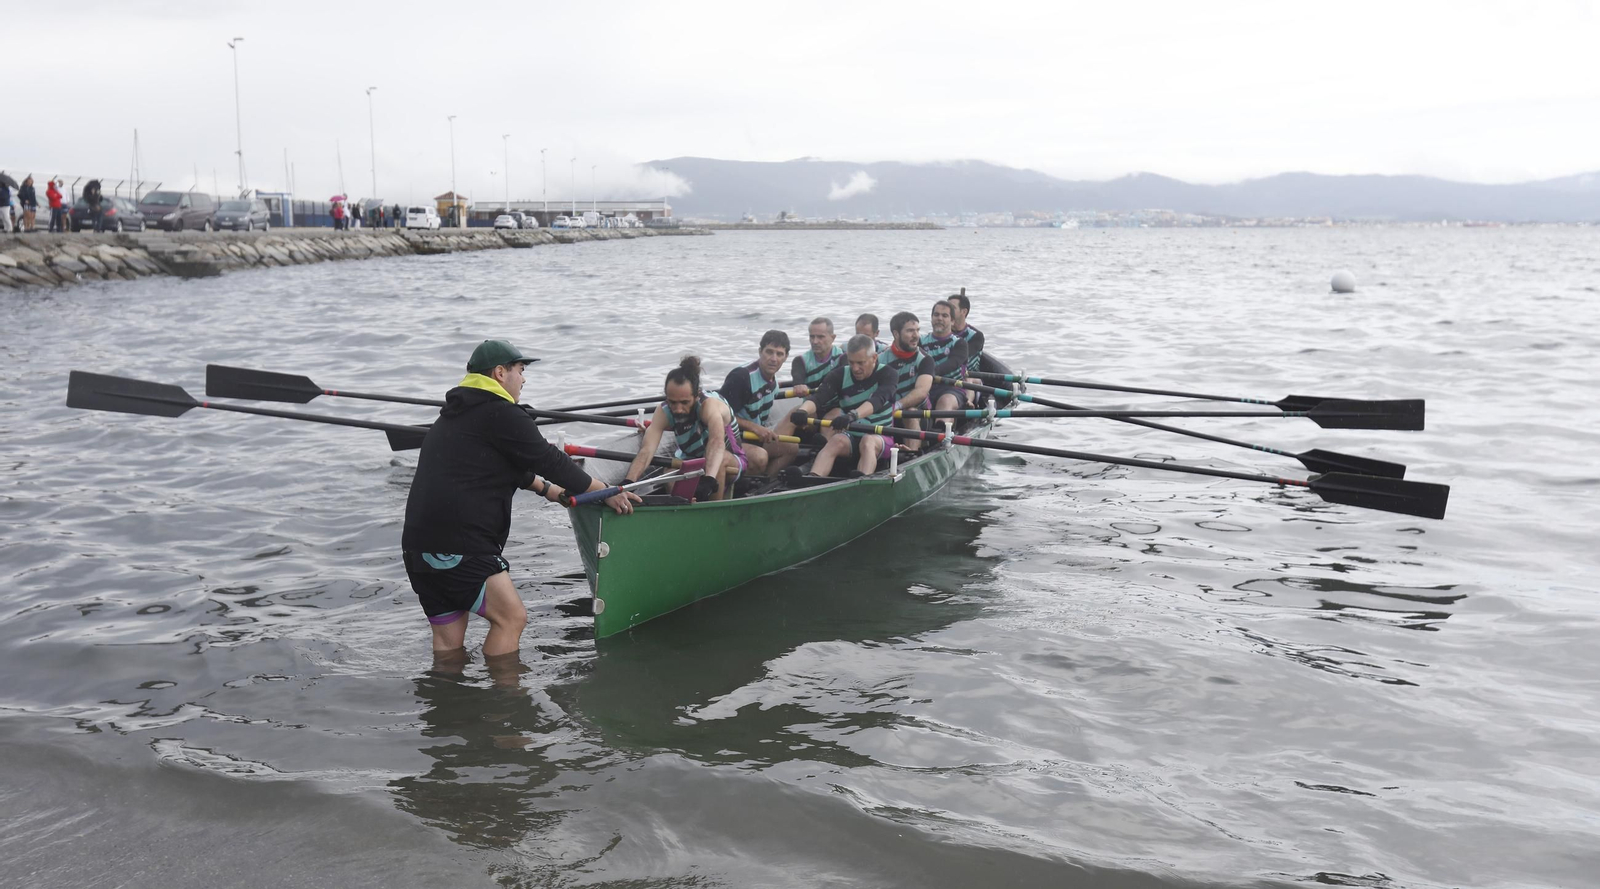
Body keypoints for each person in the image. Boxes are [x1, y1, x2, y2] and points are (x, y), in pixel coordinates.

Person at [401, 339, 639, 658]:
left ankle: (448, 690)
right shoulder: (502, 413)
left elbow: (504, 467)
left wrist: (551, 491)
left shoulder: (454, 416)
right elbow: (550, 460)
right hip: (460, 549)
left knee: (448, 645)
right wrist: (604, 490)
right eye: (520, 370)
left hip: (420, 550)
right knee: (511, 619)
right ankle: (506, 691)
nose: (523, 379)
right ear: (500, 373)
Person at [623, 357, 745, 502]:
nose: (678, 409)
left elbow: (716, 443)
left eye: (684, 402)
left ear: (697, 395)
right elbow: (647, 451)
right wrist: (627, 485)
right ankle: (686, 506)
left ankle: (714, 509)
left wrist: (709, 479)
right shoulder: (663, 411)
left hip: (730, 459)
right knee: (669, 474)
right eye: (673, 402)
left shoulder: (709, 406)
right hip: (691, 460)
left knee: (720, 460)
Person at [789, 334, 897, 477]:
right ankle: (813, 479)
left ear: (874, 358)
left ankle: (863, 482)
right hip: (851, 436)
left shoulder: (888, 374)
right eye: (851, 362)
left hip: (881, 437)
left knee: (868, 441)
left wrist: (852, 415)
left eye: (861, 363)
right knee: (835, 440)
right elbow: (818, 398)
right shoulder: (839, 375)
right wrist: (803, 411)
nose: (855, 368)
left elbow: (877, 401)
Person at [719, 330, 789, 476]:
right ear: (760, 351)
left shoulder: (773, 382)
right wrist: (755, 428)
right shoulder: (741, 377)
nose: (774, 359)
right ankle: (744, 483)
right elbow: (719, 416)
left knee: (791, 448)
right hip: (727, 439)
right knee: (760, 457)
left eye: (779, 354)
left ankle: (764, 483)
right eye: (769, 352)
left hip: (752, 437)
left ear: (786, 357)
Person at [880, 311, 935, 451]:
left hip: (918, 415)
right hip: (888, 413)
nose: (916, 336)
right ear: (896, 334)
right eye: (910, 331)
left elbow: (921, 392)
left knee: (910, 411)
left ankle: (912, 453)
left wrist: (897, 405)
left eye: (917, 330)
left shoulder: (925, 359)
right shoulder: (880, 359)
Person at [920, 299, 972, 431]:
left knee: (946, 401)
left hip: (951, 388)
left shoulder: (959, 344)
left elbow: (952, 364)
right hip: (923, 387)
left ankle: (940, 432)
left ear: (952, 321)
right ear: (931, 318)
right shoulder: (920, 341)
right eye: (936, 315)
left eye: (944, 316)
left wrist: (929, 373)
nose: (939, 318)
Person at [949, 290, 984, 376]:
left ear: (964, 312)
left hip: (969, 377)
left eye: (952, 308)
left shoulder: (976, 336)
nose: (947, 311)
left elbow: (961, 357)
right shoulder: (941, 333)